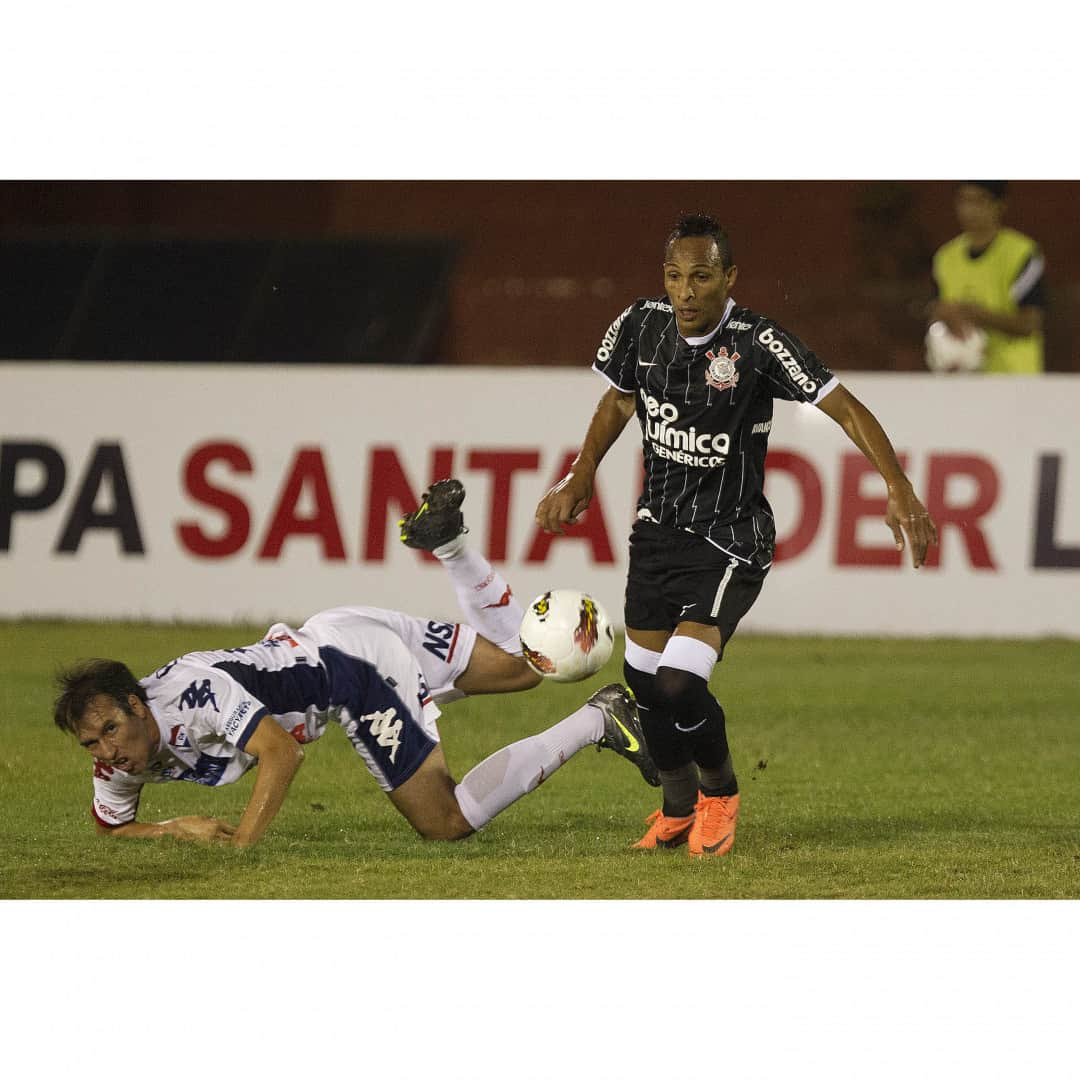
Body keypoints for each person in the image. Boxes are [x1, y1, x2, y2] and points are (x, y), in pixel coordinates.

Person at [535, 212, 939, 858]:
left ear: (729, 278)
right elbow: (618, 400)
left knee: (679, 683)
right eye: (674, 276)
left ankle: (719, 794)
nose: (686, 291)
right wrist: (582, 472)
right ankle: (675, 805)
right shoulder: (639, 326)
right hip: (656, 535)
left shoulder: (757, 344)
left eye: (701, 277)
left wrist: (898, 485)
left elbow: (844, 406)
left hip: (730, 539)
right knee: (642, 683)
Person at [53, 480, 659, 849]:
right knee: (526, 667)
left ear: (137, 704)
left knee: (444, 822)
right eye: (91, 743)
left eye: (110, 730)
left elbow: (281, 752)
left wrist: (243, 842)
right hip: (342, 628)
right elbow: (113, 829)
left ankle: (600, 718)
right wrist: (169, 829)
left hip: (354, 672)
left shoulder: (194, 694)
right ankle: (448, 544)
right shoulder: (117, 759)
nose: (106, 751)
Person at [927, 181, 1046, 373]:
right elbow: (937, 311)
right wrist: (944, 315)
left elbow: (1029, 323)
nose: (969, 210)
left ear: (1000, 204)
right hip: (961, 378)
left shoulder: (1021, 253)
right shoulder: (945, 257)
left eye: (979, 201)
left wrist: (979, 315)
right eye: (964, 200)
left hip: (1014, 379)